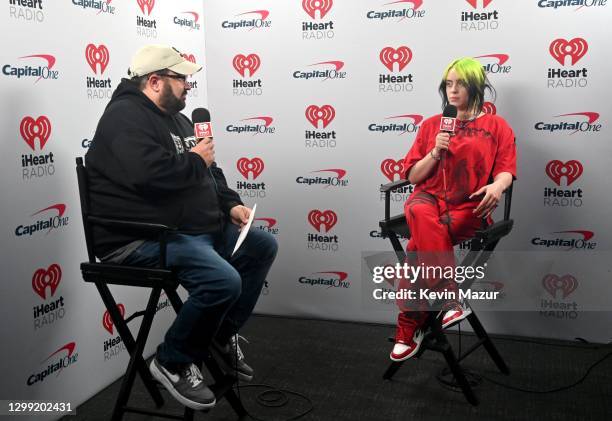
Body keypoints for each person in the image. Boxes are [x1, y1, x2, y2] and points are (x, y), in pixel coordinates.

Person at [85, 44, 278, 410]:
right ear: (155, 81)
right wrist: (193, 159)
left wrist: (230, 203)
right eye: (182, 78)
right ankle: (172, 360)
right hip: (139, 237)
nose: (189, 85)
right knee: (223, 280)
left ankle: (218, 338)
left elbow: (209, 169)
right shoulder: (124, 117)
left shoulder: (180, 120)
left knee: (261, 245)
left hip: (184, 228)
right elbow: (148, 177)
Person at [390, 57, 516, 362]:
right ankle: (449, 297)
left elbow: (505, 170)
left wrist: (498, 187)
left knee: (418, 247)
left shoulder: (496, 126)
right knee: (418, 211)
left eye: (460, 83)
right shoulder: (433, 125)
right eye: (448, 83)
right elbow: (413, 176)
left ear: (475, 86)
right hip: (429, 200)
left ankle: (408, 327)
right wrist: (435, 151)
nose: (453, 90)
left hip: (469, 205)